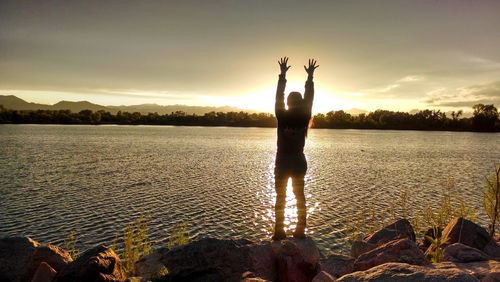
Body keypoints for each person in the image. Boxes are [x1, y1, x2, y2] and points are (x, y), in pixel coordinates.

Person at [273, 57, 318, 240]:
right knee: (299, 196)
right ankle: (300, 230)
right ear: (299, 103)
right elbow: (310, 98)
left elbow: (278, 97)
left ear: (289, 103)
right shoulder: (305, 115)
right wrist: (310, 78)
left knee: (281, 197)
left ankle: (279, 231)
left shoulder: (281, 115)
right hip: (298, 161)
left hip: (283, 160)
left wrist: (283, 75)